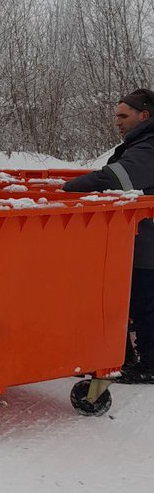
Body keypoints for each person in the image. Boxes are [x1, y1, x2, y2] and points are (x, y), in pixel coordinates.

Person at [63, 88, 154, 383]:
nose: (117, 122)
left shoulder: (149, 147)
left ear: (144, 115)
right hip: (138, 238)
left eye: (123, 116)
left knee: (144, 304)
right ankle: (126, 359)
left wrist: (66, 188)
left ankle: (148, 365)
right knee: (133, 302)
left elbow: (116, 178)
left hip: (147, 241)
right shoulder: (140, 143)